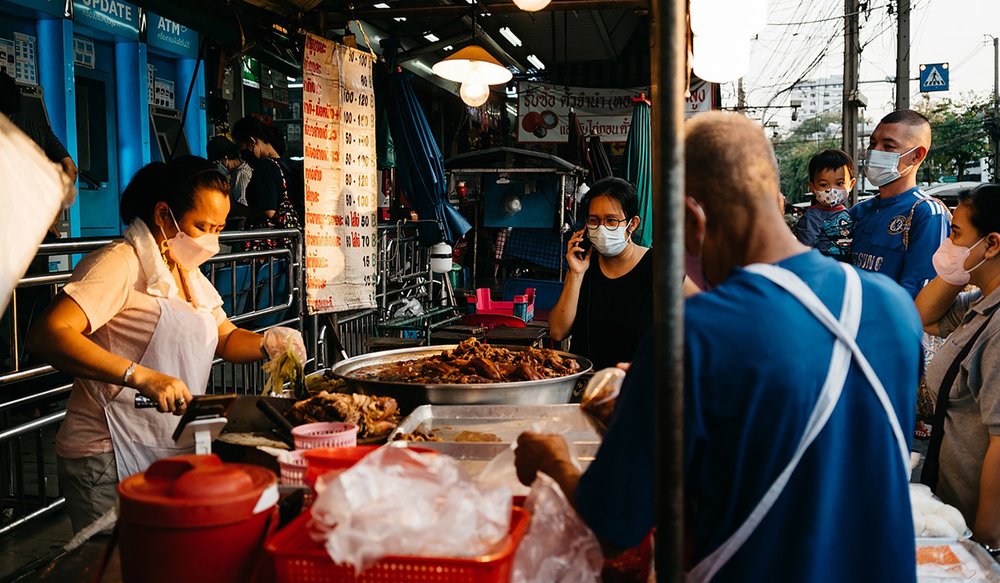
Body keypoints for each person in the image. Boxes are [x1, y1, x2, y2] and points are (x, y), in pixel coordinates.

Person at [516, 112, 922, 581]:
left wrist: (554, 461)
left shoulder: (689, 336)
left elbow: (612, 529)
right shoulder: (894, 308)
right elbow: (817, 452)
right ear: (777, 197)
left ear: (691, 216)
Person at [26, 156, 306, 533]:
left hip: (162, 442)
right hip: (105, 453)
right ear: (163, 215)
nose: (211, 240)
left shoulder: (183, 270)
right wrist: (141, 377)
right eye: (202, 226)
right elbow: (48, 334)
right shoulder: (118, 264)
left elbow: (223, 336)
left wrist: (271, 343)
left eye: (219, 228)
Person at [915, 183, 1000, 547]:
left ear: (992, 244)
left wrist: (986, 544)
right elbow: (926, 315)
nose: (947, 244)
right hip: (956, 513)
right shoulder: (982, 304)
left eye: (955, 233)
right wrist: (955, 270)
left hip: (980, 534)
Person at [548, 177, 652, 370]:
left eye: (611, 220)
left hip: (637, 388)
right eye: (594, 220)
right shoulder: (583, 265)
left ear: (633, 224)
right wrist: (576, 274)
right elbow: (557, 331)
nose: (602, 228)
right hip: (586, 387)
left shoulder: (659, 267)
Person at [850, 109, 949, 298]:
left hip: (891, 325)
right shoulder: (858, 212)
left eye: (888, 147)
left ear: (917, 156)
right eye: (872, 144)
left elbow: (921, 294)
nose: (874, 152)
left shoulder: (927, 214)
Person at [231, 116, 301, 241]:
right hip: (287, 241)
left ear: (252, 142)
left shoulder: (266, 167)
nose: (241, 154)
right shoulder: (284, 165)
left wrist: (236, 208)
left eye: (240, 147)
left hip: (268, 244)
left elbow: (269, 211)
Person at [793, 148, 854, 260]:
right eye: (823, 184)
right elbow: (805, 252)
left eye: (839, 183)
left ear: (851, 184)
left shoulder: (850, 213)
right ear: (812, 187)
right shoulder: (812, 218)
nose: (832, 190)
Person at [207, 135, 253, 229]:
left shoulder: (241, 174)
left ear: (225, 158)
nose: (215, 167)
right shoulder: (235, 173)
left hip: (239, 227)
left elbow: (242, 206)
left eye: (216, 163)